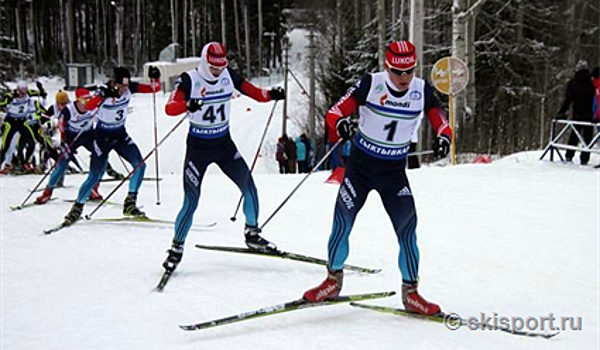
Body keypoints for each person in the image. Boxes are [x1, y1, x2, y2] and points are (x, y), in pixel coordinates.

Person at [302, 40, 452, 316]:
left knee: (408, 230)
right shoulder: (371, 83)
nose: (404, 78)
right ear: (387, 67)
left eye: (409, 71)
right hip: (360, 169)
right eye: (398, 72)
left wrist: (445, 136)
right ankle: (332, 281)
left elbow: (439, 118)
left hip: (393, 173)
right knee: (342, 224)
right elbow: (336, 112)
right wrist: (341, 123)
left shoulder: (421, 90)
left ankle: (412, 294)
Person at [162, 42, 285, 273]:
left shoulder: (229, 75)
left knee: (249, 187)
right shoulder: (190, 79)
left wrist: (271, 94)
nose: (217, 71)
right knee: (191, 200)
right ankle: (176, 248)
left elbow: (255, 92)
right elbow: (170, 107)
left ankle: (252, 233)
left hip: (223, 144)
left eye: (221, 66)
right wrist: (187, 104)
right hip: (198, 148)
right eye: (213, 67)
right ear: (204, 62)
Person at [61, 66, 161, 226]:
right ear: (114, 83)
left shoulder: (130, 88)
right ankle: (77, 208)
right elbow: (88, 106)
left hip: (120, 135)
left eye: (126, 86)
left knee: (140, 166)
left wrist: (155, 78)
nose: (123, 90)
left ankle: (130, 203)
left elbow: (154, 89)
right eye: (120, 87)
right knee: (95, 175)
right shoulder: (103, 91)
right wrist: (103, 95)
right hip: (102, 138)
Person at [36, 88, 103, 204]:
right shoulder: (69, 110)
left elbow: (102, 117)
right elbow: (61, 125)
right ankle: (47, 192)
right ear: (78, 100)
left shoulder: (93, 106)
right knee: (62, 164)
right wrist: (64, 139)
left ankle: (94, 188)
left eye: (89, 98)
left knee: (101, 156)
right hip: (71, 136)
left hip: (88, 134)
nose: (87, 101)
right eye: (84, 99)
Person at [0, 81, 46, 174]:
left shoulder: (29, 93)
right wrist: (9, 98)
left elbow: (41, 94)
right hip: (11, 122)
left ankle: (26, 162)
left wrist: (40, 88)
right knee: (5, 145)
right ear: (17, 89)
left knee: (31, 143)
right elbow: (2, 103)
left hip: (22, 121)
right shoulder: (11, 95)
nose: (22, 94)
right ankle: (3, 164)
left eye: (24, 91)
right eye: (21, 92)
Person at [555, 60, 595, 165]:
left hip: (577, 113)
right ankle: (585, 158)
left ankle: (569, 155)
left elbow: (568, 100)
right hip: (590, 113)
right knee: (588, 136)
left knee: (574, 135)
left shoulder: (573, 83)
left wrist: (561, 112)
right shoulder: (592, 83)